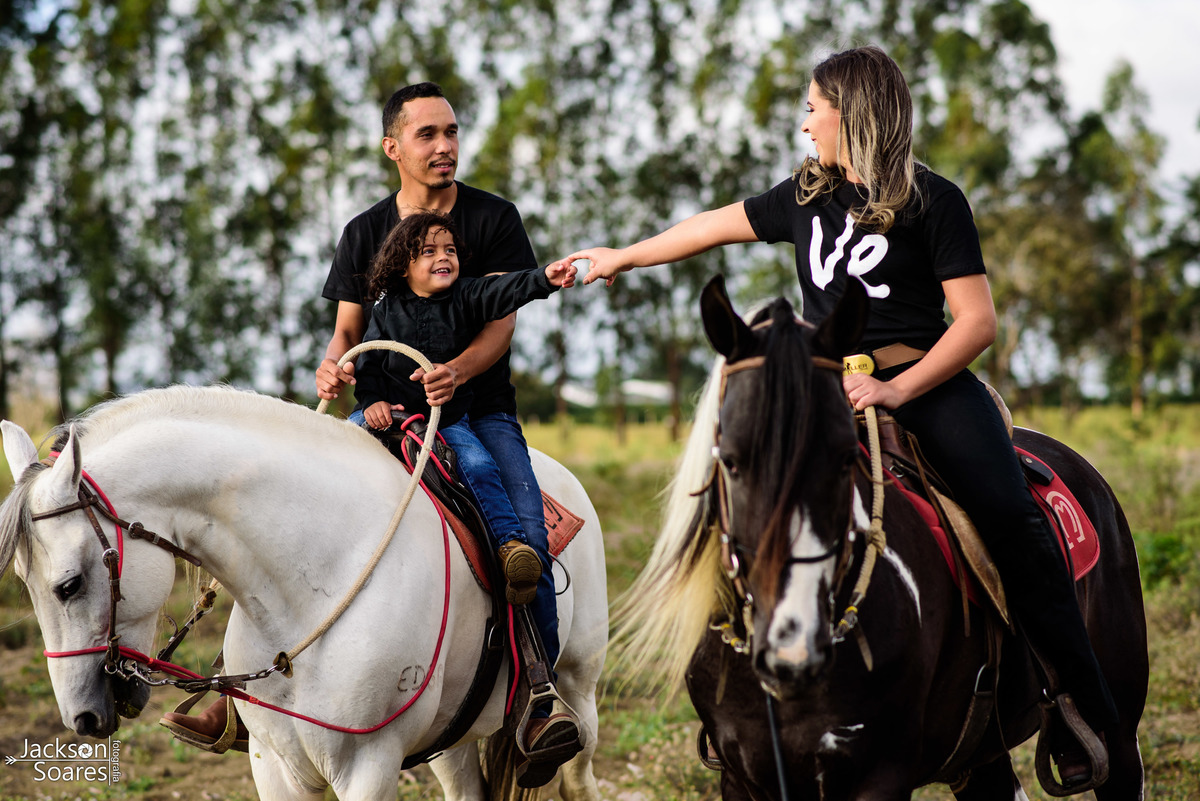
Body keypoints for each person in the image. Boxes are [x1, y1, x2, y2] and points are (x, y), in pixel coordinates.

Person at [559, 46, 1118, 790]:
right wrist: (622, 257)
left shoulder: (934, 200)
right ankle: (734, 701)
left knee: (1010, 516)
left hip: (926, 386)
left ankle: (1079, 704)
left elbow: (976, 322)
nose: (804, 124)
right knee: (747, 499)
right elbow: (711, 226)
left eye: (813, 109)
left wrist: (897, 389)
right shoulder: (804, 195)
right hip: (826, 392)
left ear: (851, 113)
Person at [163, 82, 576, 763]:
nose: (445, 145)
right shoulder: (363, 232)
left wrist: (456, 372)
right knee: (287, 512)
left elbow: (501, 324)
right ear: (393, 147)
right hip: (386, 406)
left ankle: (539, 695)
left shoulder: (494, 218)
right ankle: (235, 692)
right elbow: (348, 332)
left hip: (478, 410)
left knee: (527, 537)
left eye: (451, 131)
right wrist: (333, 365)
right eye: (427, 134)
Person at [350, 210, 574, 619]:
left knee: (479, 465)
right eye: (429, 251)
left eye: (450, 250)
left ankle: (511, 546)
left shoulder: (469, 295)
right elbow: (369, 364)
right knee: (338, 444)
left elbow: (505, 288)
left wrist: (544, 278)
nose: (444, 257)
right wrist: (372, 401)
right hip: (392, 416)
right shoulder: (385, 310)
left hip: (449, 420)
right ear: (403, 265)